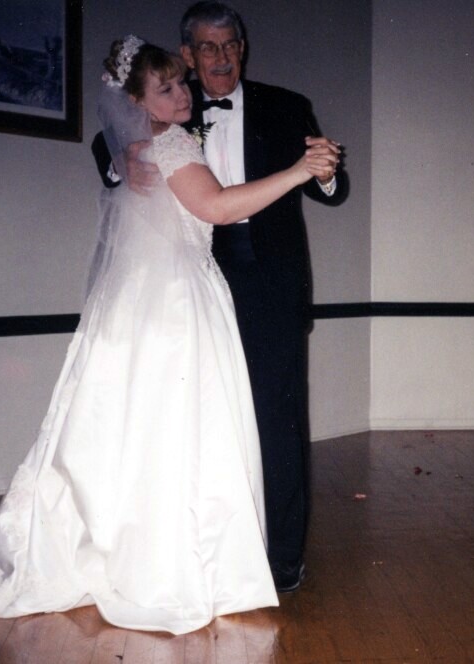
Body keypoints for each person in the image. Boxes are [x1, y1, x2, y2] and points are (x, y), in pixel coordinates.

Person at [0, 37, 339, 635]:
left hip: (145, 297)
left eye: (182, 82)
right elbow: (217, 208)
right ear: (136, 101)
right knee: (179, 426)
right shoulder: (170, 141)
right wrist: (295, 172)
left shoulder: (156, 139)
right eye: (168, 87)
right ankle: (170, 564)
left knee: (140, 427)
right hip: (176, 300)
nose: (184, 93)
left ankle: (137, 550)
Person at [91, 1, 346, 593]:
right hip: (195, 284)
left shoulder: (286, 105)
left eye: (231, 44)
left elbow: (331, 189)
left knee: (276, 420)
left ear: (243, 47)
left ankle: (282, 559)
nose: (222, 57)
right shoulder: (172, 107)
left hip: (270, 285)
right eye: (208, 47)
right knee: (202, 420)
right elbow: (110, 142)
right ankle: (208, 550)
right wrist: (122, 157)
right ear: (187, 55)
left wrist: (324, 171)